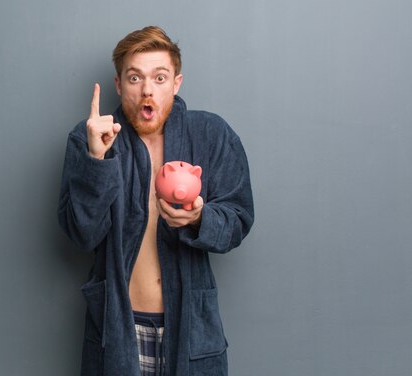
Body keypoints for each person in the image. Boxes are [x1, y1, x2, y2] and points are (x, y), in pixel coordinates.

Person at [57, 26, 254, 376]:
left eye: (159, 77)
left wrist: (199, 218)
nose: (147, 89)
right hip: (119, 329)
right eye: (135, 78)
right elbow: (81, 234)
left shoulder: (211, 135)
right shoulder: (91, 136)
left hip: (191, 330)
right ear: (119, 85)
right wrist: (97, 163)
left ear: (176, 83)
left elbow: (238, 219)